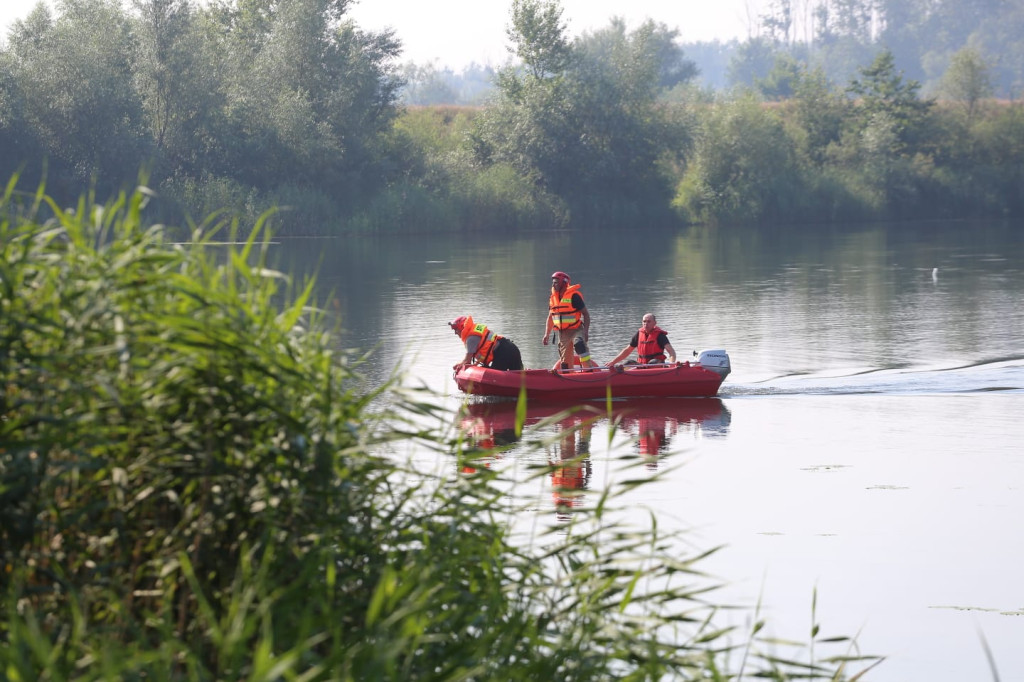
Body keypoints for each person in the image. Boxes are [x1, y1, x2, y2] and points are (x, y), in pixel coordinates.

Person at [543, 271, 596, 371]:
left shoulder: (574, 296)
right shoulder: (553, 298)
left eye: (556, 282)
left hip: (577, 329)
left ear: (564, 283)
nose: (553, 284)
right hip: (563, 333)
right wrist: (547, 334)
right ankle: (568, 378)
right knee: (565, 364)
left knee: (579, 344)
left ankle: (589, 371)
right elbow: (550, 317)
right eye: (553, 282)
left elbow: (586, 314)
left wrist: (586, 332)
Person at [449, 315, 523, 372]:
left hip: (503, 352)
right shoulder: (475, 331)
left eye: (456, 329)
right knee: (520, 377)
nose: (455, 333)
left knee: (496, 380)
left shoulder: (470, 339)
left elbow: (467, 361)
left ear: (462, 327)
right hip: (511, 347)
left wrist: (457, 365)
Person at [605, 313, 677, 366]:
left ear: (654, 323)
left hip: (655, 365)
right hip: (641, 365)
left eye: (649, 321)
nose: (646, 324)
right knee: (628, 363)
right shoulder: (639, 334)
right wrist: (613, 362)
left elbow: (671, 352)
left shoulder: (660, 336)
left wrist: (672, 363)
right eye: (644, 321)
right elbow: (627, 350)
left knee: (653, 362)